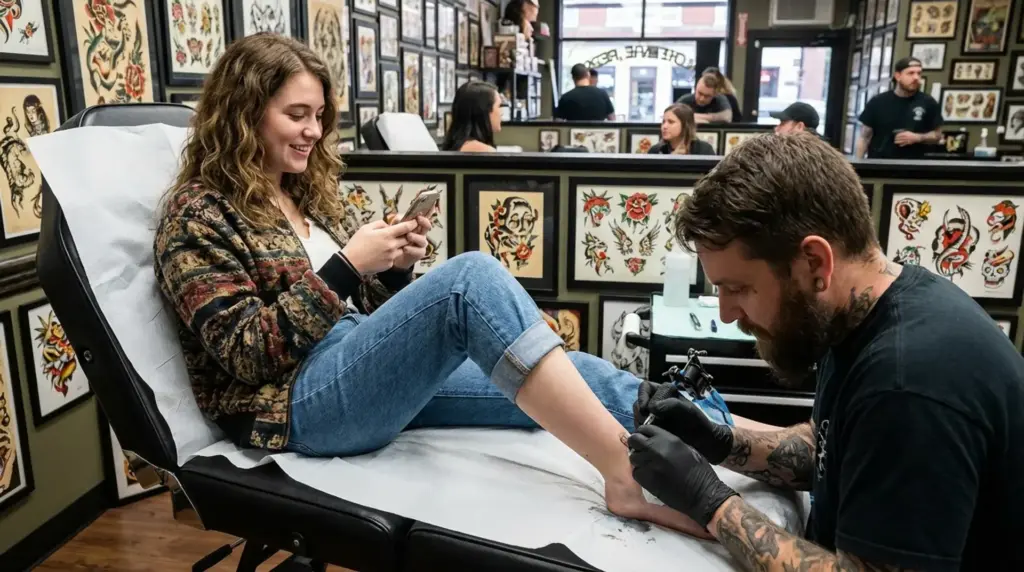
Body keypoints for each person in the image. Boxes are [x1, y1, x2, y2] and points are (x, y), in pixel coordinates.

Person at [152, 33, 719, 538]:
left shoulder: (298, 193)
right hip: (297, 405)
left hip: (349, 364)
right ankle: (621, 472)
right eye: (296, 114)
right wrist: (348, 265)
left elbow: (361, 313)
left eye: (320, 115)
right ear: (244, 113)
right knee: (467, 280)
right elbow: (248, 354)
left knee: (567, 372)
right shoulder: (197, 215)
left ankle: (731, 437)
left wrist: (390, 268)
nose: (314, 131)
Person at [627, 131, 1024, 570]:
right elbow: (830, 448)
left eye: (739, 288)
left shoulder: (907, 384)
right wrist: (716, 439)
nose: (726, 313)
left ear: (814, 263)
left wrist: (710, 502)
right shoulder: (863, 315)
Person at [857, 56, 942, 159]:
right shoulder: (878, 102)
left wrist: (918, 137)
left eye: (919, 73)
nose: (916, 78)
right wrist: (857, 166)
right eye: (911, 73)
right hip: (880, 164)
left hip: (915, 166)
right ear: (898, 76)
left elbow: (937, 135)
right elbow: (864, 137)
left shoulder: (928, 102)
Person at [441, 80, 501, 152]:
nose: (501, 112)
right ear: (483, 111)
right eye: (499, 106)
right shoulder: (484, 151)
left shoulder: (457, 145)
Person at [647, 104, 716, 155]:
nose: (664, 126)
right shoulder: (655, 151)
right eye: (663, 122)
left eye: (671, 122)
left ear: (685, 126)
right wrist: (671, 159)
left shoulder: (704, 150)